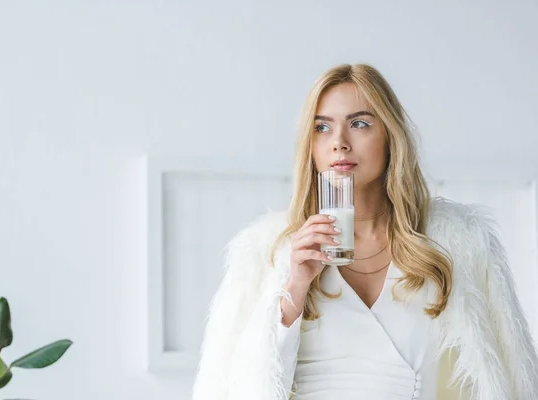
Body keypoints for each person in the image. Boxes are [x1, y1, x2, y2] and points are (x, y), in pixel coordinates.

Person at [191, 64, 538, 400]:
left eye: (358, 123)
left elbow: (504, 379)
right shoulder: (270, 251)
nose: (339, 142)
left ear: (390, 135)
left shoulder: (454, 245)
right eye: (322, 127)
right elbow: (250, 387)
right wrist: (294, 288)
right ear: (309, 145)